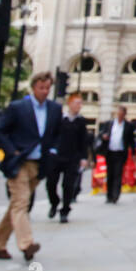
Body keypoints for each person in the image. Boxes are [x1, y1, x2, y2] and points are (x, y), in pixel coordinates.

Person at [0, 72, 61, 262]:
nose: (45, 91)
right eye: (41, 88)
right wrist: (11, 150)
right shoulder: (18, 107)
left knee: (16, 205)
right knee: (22, 202)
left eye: (47, 88)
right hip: (19, 162)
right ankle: (26, 243)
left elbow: (56, 134)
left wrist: (53, 150)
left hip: (38, 165)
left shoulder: (54, 109)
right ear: (33, 87)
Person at [47, 92, 90, 222]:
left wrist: (83, 158)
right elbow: (51, 135)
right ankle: (54, 202)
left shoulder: (81, 121)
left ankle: (65, 210)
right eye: (77, 103)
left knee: (68, 185)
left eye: (81, 103)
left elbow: (83, 141)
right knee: (51, 183)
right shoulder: (60, 118)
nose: (79, 106)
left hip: (72, 158)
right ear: (69, 103)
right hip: (57, 156)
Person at [97, 106, 134, 203]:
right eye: (119, 112)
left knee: (118, 174)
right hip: (110, 152)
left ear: (124, 114)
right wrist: (104, 136)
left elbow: (131, 141)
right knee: (110, 174)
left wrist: (133, 153)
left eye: (122, 112)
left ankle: (115, 196)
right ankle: (109, 195)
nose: (120, 114)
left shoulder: (128, 126)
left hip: (120, 154)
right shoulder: (110, 124)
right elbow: (101, 134)